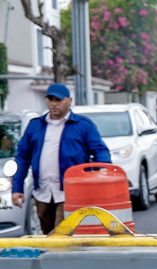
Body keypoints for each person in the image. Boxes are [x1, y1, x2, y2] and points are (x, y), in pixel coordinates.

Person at [12, 83, 110, 234]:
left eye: (58, 100)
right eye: (50, 99)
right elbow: (22, 157)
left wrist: (102, 174)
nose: (54, 104)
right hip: (43, 192)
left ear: (69, 101)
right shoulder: (35, 126)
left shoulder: (83, 125)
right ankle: (60, 256)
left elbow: (100, 151)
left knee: (60, 234)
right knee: (48, 231)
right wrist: (17, 188)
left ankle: (60, 255)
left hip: (71, 192)